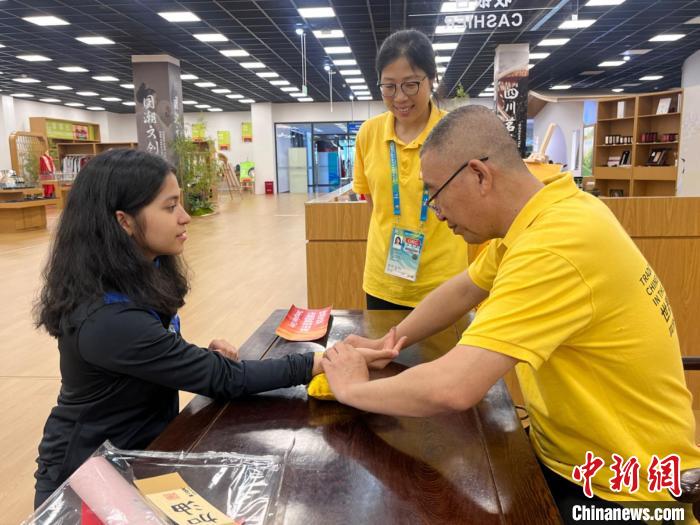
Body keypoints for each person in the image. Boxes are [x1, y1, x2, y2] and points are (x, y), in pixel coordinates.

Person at [323, 105, 700, 519]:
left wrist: (353, 390)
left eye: (434, 192)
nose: (436, 211)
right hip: (571, 459)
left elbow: (454, 386)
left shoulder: (555, 245)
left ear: (479, 175)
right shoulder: (548, 212)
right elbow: (464, 288)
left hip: (625, 492)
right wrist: (389, 342)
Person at [32, 149, 396, 507]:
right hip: (85, 479)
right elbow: (223, 379)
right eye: (169, 207)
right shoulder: (108, 320)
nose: (185, 217)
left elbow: (149, 361)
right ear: (124, 221)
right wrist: (319, 362)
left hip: (136, 454)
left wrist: (189, 357)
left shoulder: (135, 279)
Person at [352, 29, 468, 310]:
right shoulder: (368, 133)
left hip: (444, 281)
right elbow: (372, 204)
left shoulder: (456, 132)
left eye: (411, 84)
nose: (400, 97)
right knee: (383, 341)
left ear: (431, 79)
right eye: (389, 86)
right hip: (383, 282)